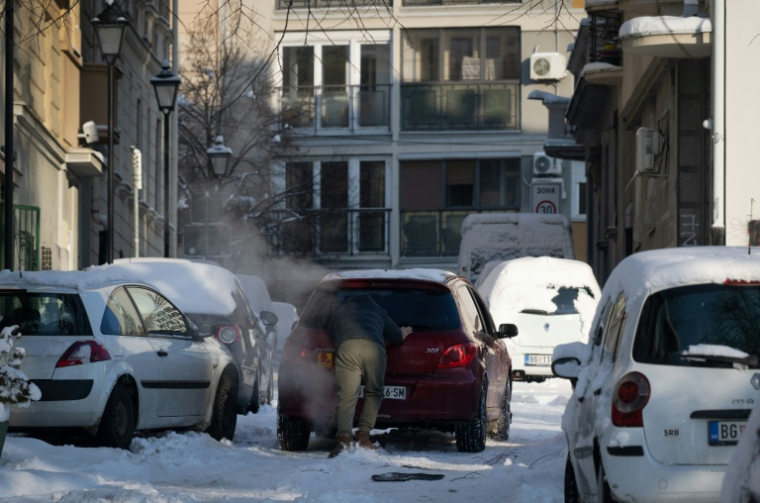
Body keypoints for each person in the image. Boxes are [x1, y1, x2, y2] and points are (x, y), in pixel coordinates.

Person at [327, 293, 412, 458]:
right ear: (370, 302)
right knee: (374, 392)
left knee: (346, 396)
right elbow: (396, 338)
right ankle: (364, 437)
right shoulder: (378, 310)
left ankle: (343, 441)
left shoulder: (340, 311)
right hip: (374, 348)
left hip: (347, 347)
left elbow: (332, 335)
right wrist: (401, 334)